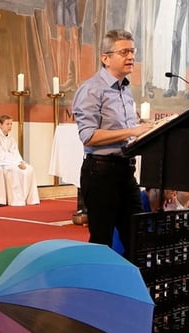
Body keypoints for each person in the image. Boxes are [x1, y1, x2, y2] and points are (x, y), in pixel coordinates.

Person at [71, 29, 153, 254]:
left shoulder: (124, 89)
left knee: (137, 238)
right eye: (124, 52)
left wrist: (148, 131)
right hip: (101, 173)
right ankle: (98, 277)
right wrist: (132, 130)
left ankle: (134, 277)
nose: (131, 57)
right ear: (105, 58)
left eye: (132, 51)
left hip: (126, 172)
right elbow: (88, 135)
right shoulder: (91, 89)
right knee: (102, 241)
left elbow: (127, 132)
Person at [0, 115, 40, 206]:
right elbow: (0, 155)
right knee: (15, 170)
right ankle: (16, 200)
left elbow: (16, 152)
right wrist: (16, 163)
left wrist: (20, 162)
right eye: (7, 124)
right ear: (0, 125)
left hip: (14, 162)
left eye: (11, 124)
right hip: (2, 163)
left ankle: (31, 199)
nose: (10, 126)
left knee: (30, 169)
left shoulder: (11, 138)